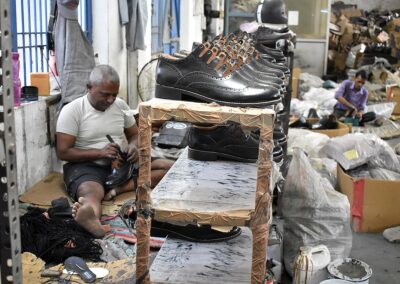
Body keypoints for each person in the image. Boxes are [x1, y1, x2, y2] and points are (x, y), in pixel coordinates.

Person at [56, 65, 173, 238]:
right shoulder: (73, 111)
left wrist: (134, 145)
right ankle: (91, 219)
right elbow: (63, 152)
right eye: (104, 94)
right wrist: (99, 153)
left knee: (168, 169)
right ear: (89, 87)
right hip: (87, 166)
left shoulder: (119, 105)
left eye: (114, 94)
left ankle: (118, 189)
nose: (110, 100)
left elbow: (134, 134)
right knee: (92, 194)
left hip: (120, 163)